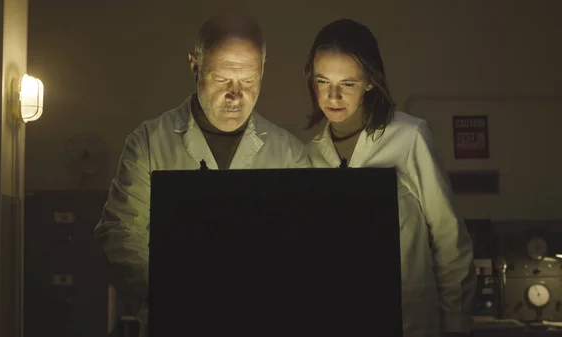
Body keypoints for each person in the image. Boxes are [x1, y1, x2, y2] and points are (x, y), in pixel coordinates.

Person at [94, 12, 310, 337]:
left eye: (249, 80)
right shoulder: (149, 142)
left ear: (263, 71)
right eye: (222, 78)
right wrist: (175, 297)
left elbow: (307, 246)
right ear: (195, 65)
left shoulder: (289, 152)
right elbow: (121, 233)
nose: (236, 94)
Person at [304, 19, 476, 337]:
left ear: (370, 81)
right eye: (322, 81)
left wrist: (456, 323)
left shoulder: (409, 137)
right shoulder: (310, 155)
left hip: (410, 323)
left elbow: (449, 239)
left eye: (348, 84)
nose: (333, 95)